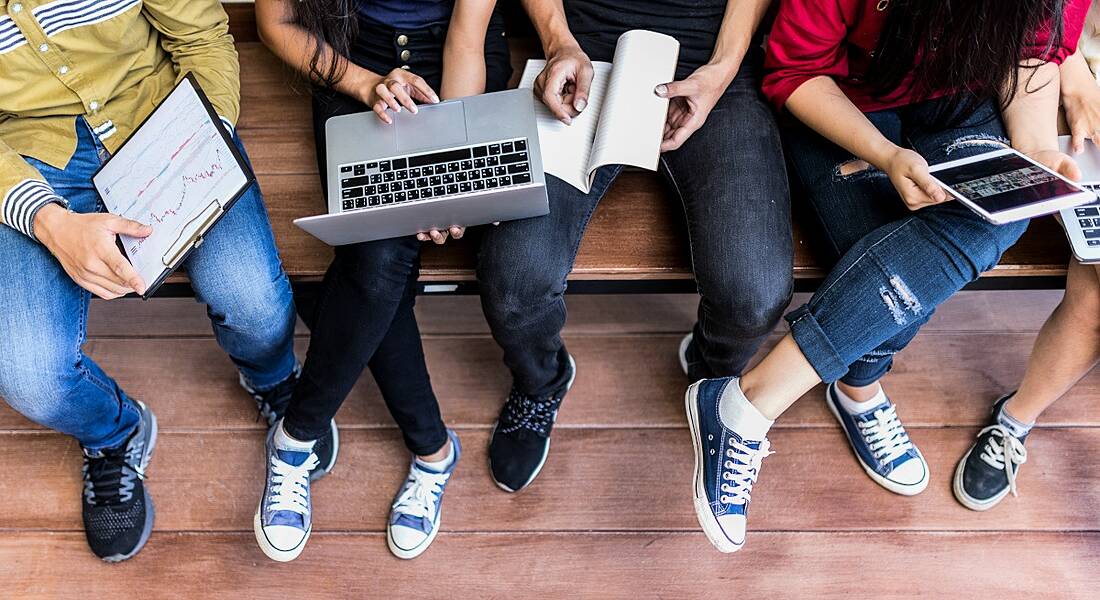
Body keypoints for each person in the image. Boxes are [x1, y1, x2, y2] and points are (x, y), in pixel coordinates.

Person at [683, 0, 1090, 553]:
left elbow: (1030, 54)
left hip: (961, 103)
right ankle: (858, 388)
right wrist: (884, 154)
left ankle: (750, 401)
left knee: (992, 220)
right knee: (876, 261)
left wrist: (1038, 150)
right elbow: (795, 71)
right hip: (841, 97)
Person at [0, 0, 298, 562]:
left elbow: (202, 37)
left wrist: (195, 152)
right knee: (29, 376)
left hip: (163, 118)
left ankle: (274, 379)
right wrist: (48, 220)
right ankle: (114, 435)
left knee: (253, 299)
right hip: (29, 159)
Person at [479, 0, 793, 494]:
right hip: (584, 46)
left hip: (711, 55)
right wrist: (557, 39)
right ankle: (541, 382)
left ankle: (708, 373)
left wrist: (724, 66)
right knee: (512, 277)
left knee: (754, 291)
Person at [254, 0, 510, 561]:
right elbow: (275, 21)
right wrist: (368, 84)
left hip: (455, 66)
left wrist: (450, 168)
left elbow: (467, 36)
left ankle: (296, 437)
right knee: (377, 259)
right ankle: (431, 450)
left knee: (375, 264)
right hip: (351, 59)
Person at [952, 37, 1100, 512]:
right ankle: (1015, 419)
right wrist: (1075, 73)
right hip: (1058, 82)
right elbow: (1039, 20)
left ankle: (1015, 419)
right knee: (1097, 293)